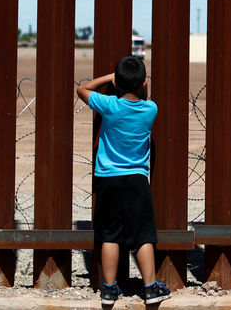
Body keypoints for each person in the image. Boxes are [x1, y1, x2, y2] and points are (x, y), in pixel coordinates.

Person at [77, 56, 171, 305]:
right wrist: (139, 85)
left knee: (109, 234)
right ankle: (150, 288)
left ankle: (109, 290)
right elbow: (145, 97)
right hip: (137, 180)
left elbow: (82, 89)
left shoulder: (109, 105)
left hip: (108, 178)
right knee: (142, 235)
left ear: (117, 82)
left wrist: (110, 78)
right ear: (144, 83)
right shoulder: (150, 110)